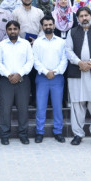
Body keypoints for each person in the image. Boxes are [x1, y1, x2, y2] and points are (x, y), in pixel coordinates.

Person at [65, 7, 91, 147]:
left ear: (90, 16)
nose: (84, 18)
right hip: (77, 72)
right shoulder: (71, 32)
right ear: (77, 18)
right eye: (81, 16)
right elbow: (68, 50)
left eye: (86, 15)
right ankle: (78, 134)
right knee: (77, 104)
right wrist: (79, 63)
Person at [0, 21, 34, 145]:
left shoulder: (26, 44)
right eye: (10, 29)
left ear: (19, 30)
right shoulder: (1, 45)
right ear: (6, 31)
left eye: (15, 29)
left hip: (23, 80)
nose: (12, 31)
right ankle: (5, 134)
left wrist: (19, 74)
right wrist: (8, 75)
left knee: (23, 109)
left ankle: (23, 134)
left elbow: (30, 61)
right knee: (5, 109)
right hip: (6, 81)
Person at [32, 15, 68, 144]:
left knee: (57, 106)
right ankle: (39, 132)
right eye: (45, 25)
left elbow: (65, 59)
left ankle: (58, 131)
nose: (48, 27)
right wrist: (46, 72)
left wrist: (56, 71)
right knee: (40, 106)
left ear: (54, 25)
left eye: (50, 24)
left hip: (57, 78)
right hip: (42, 77)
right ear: (42, 26)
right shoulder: (37, 42)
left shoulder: (61, 42)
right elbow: (35, 60)